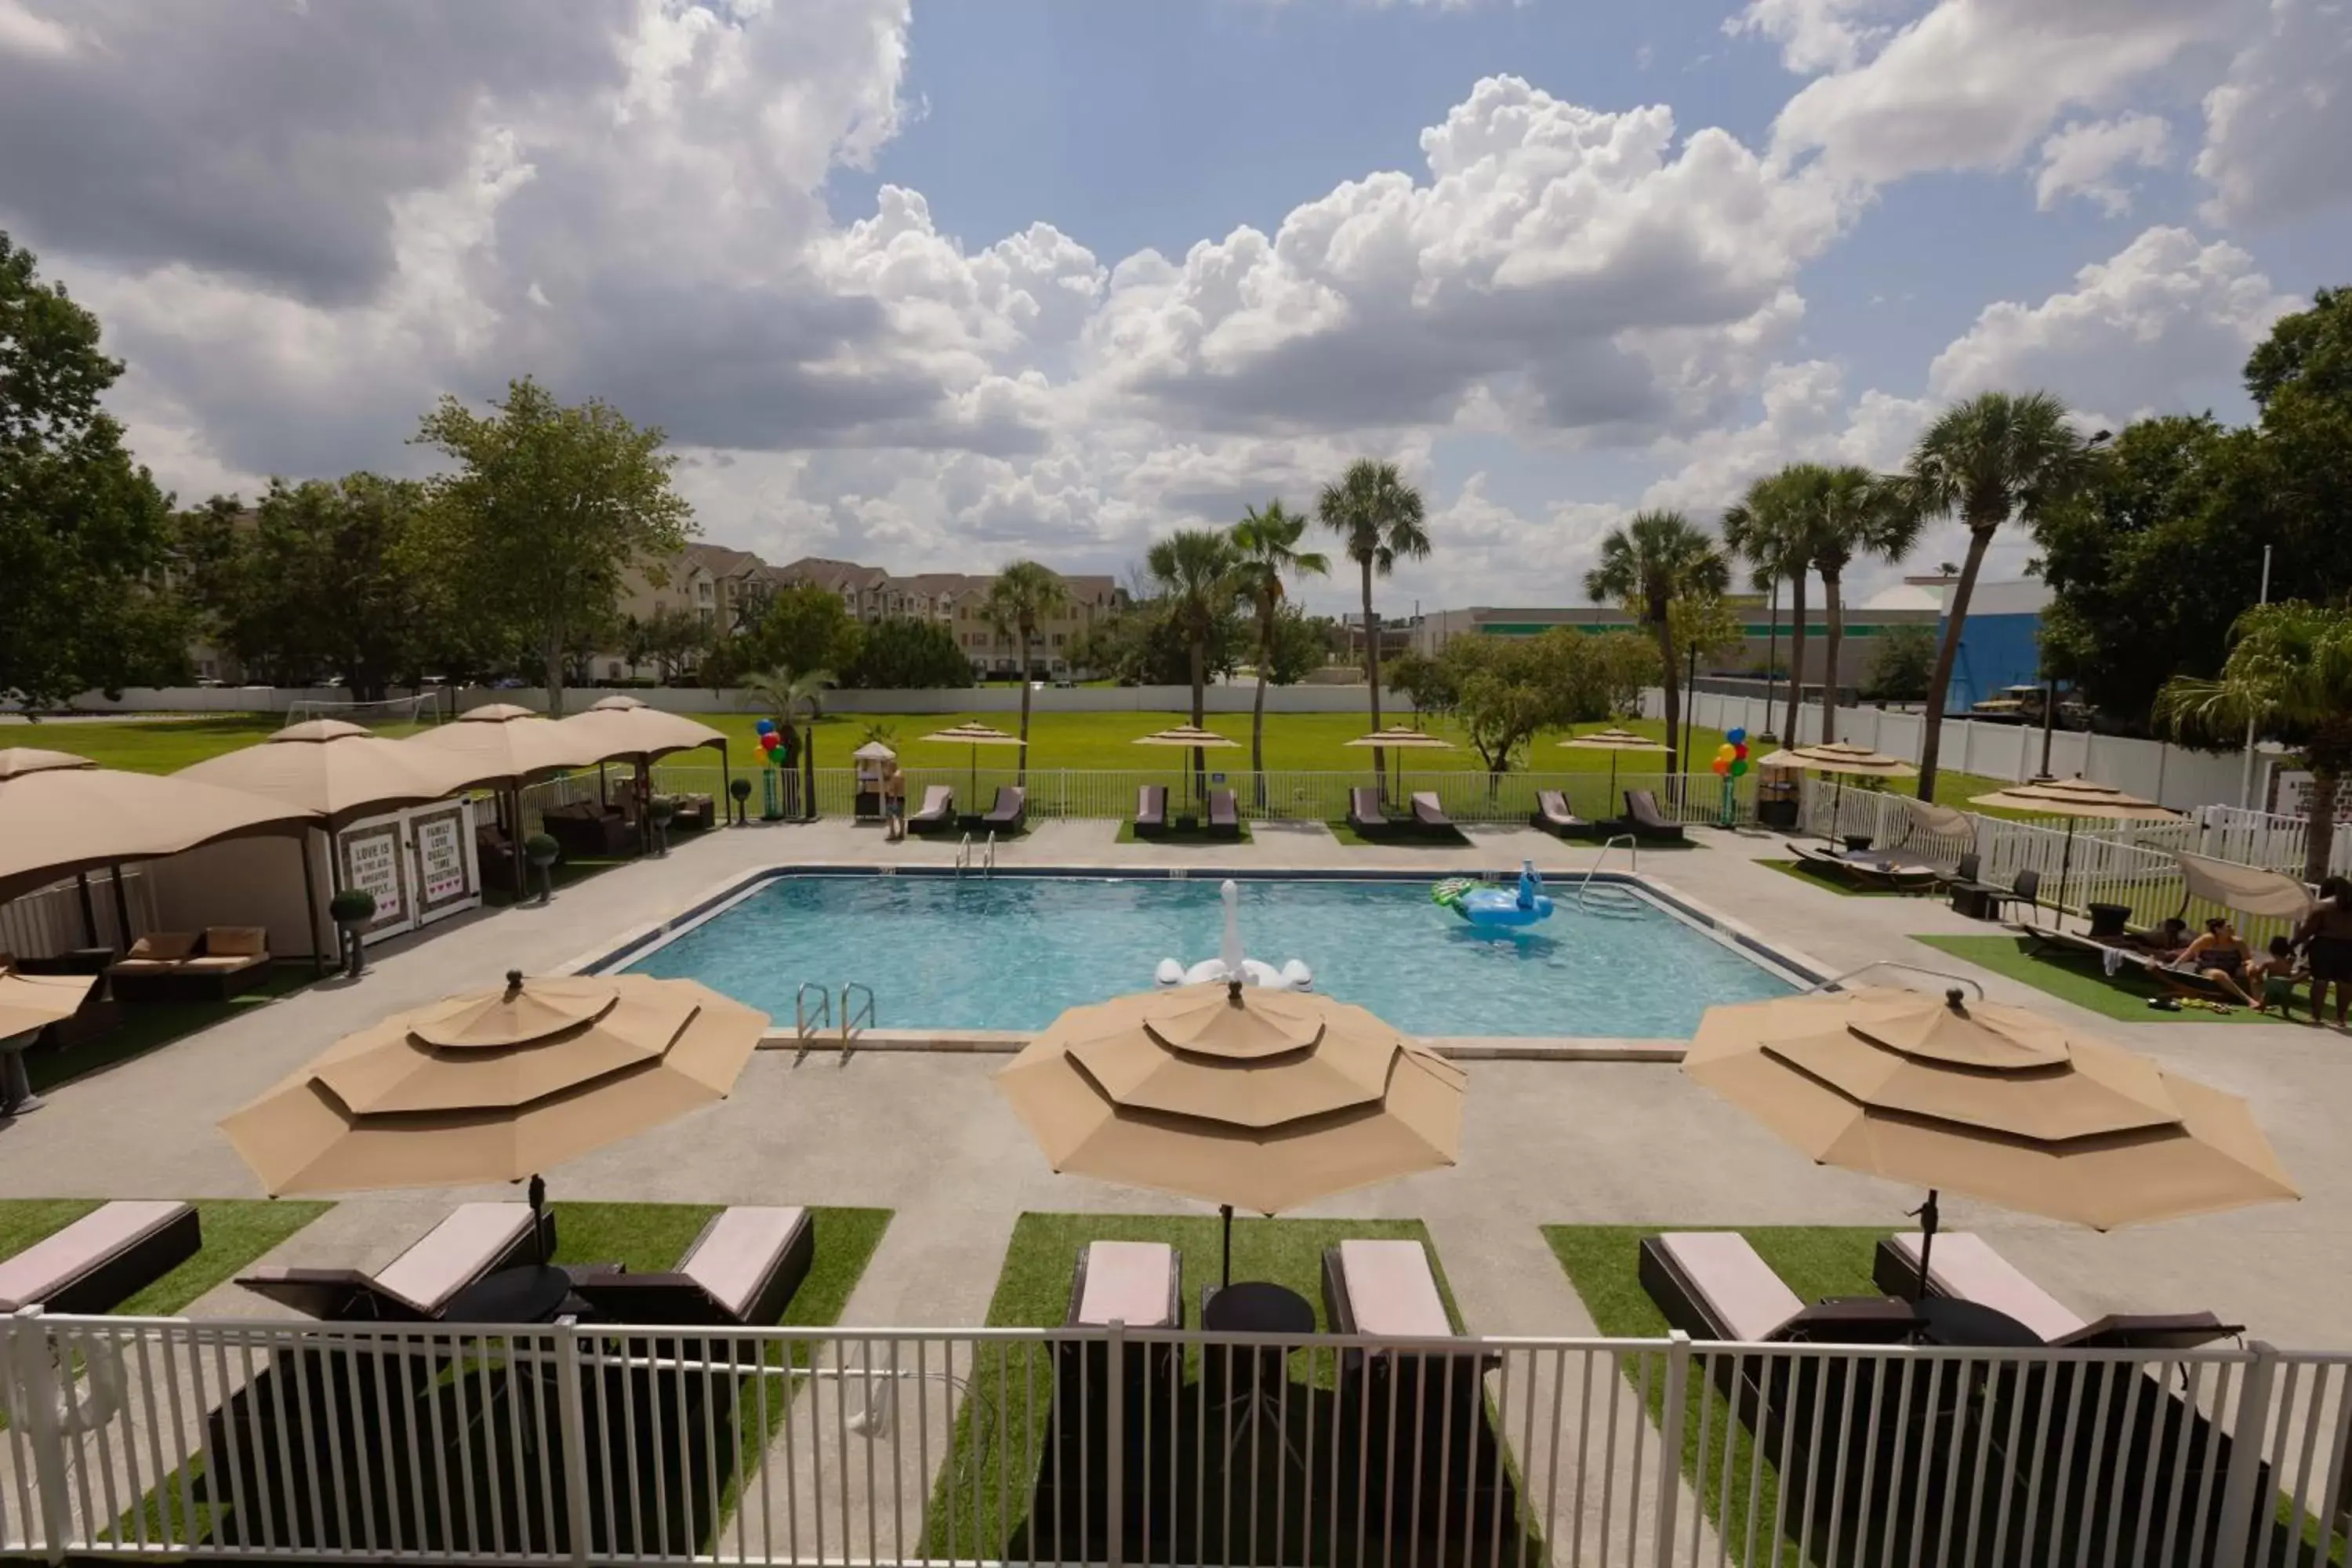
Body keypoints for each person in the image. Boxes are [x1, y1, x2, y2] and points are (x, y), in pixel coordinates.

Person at [2297, 875, 2352, 1029]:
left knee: (2320, 980)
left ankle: (2316, 1016)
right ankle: (2341, 1018)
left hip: (2325, 945)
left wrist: (2294, 943)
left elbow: (2308, 929)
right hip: (2349, 947)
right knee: (2346, 983)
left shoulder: (2322, 906)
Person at [2174, 917, 2256, 1004]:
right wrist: (2175, 965)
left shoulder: (2238, 942)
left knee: (2254, 971)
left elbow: (2247, 959)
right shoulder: (2206, 940)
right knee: (2220, 974)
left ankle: (2259, 1001)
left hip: (2233, 969)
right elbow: (2189, 953)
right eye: (2228, 927)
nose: (2232, 929)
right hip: (2208, 969)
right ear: (2218, 930)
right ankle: (2248, 1000)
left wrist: (2251, 965)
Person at [2249, 934, 2307, 1020]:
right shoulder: (2288, 962)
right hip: (2286, 984)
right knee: (2285, 999)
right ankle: (2286, 1012)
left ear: (2271, 948)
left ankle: (2262, 1007)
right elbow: (2289, 971)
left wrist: (2258, 978)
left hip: (2272, 983)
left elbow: (2259, 972)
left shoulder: (2269, 962)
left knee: (2266, 995)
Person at [881, 760, 907, 842]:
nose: (887, 769)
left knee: (891, 816)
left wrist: (894, 800)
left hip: (895, 798)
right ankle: (901, 833)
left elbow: (896, 788)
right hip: (899, 797)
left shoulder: (896, 776)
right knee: (900, 816)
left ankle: (893, 832)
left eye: (889, 767)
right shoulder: (899, 774)